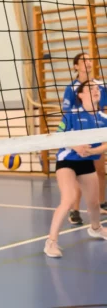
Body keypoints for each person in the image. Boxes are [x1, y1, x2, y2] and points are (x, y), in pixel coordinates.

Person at [45, 79, 107, 258]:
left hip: (86, 162)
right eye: (90, 88)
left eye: (97, 88)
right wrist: (76, 146)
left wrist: (92, 151)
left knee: (94, 203)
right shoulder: (71, 115)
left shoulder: (103, 119)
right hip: (68, 161)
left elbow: (105, 144)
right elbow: (58, 137)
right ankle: (51, 242)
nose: (96, 90)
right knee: (69, 198)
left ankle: (95, 228)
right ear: (80, 94)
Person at [60, 52, 107, 224]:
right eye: (84, 60)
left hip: (97, 130)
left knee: (100, 170)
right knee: (81, 174)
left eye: (89, 59)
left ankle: (102, 203)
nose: (88, 62)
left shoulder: (100, 85)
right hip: (80, 133)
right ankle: (75, 210)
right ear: (76, 66)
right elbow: (67, 113)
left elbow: (105, 107)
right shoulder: (72, 88)